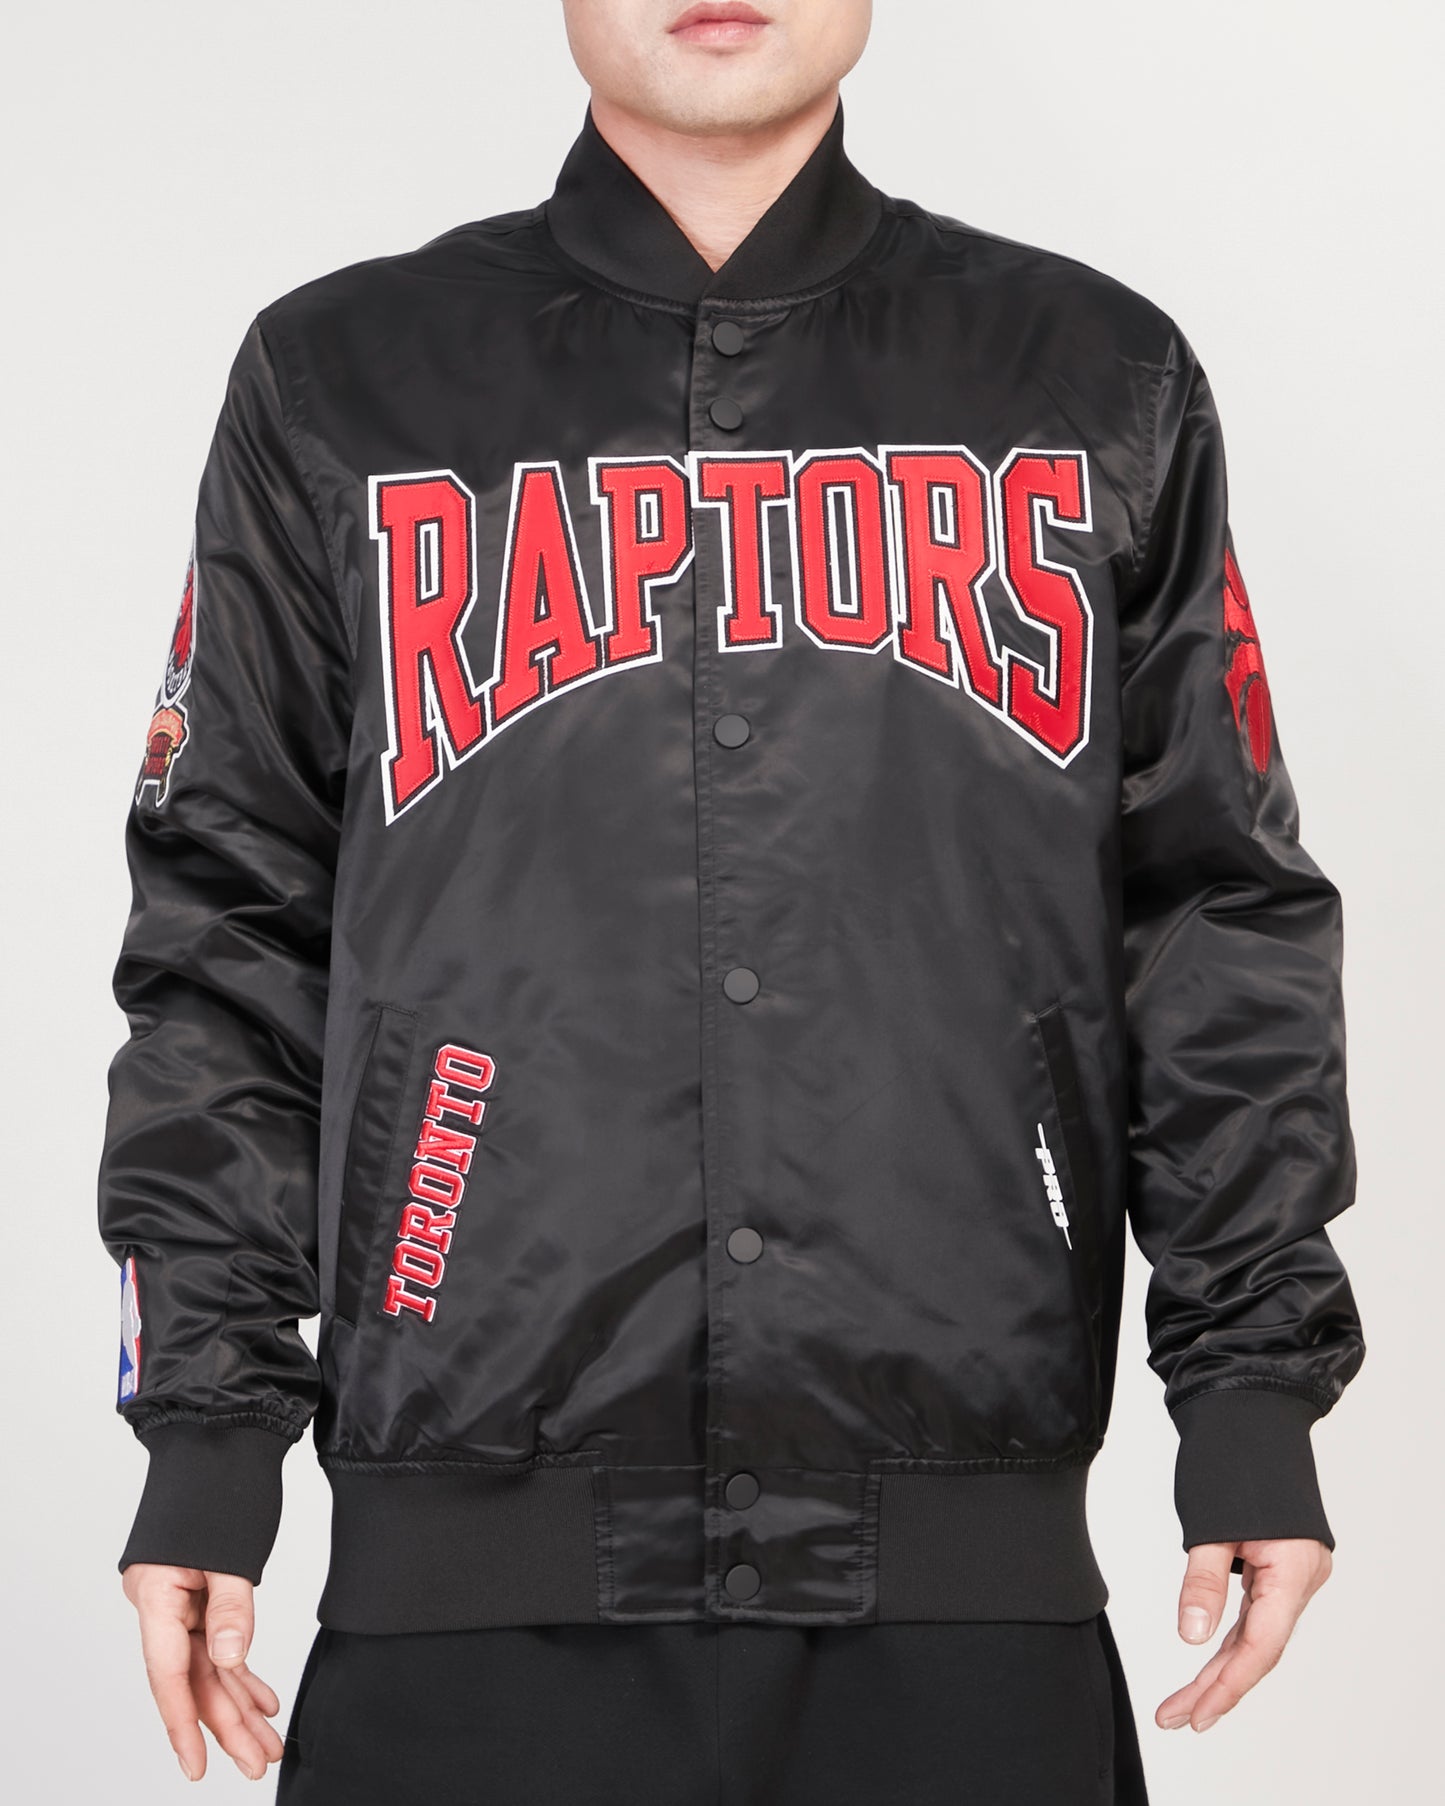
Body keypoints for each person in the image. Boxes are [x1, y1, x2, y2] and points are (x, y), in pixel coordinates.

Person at [97, 2, 1365, 1800]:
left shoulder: (1094, 375)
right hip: (464, 1608)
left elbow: (1213, 913)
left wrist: (1247, 1393)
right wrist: (209, 1433)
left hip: (965, 1604)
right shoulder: (341, 381)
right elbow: (226, 932)